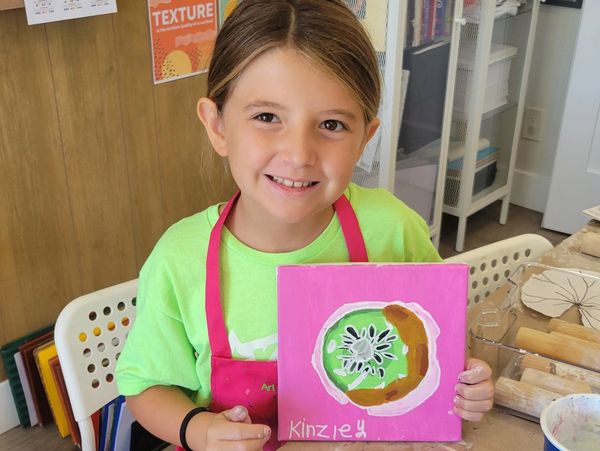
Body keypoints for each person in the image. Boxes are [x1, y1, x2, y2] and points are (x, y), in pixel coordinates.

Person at [115, 1, 494, 450]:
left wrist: (469, 382)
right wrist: (196, 429)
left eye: (332, 124)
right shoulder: (181, 258)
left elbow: (445, 344)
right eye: (267, 117)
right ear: (217, 125)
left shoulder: (392, 230)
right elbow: (145, 386)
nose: (299, 154)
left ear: (363, 141)